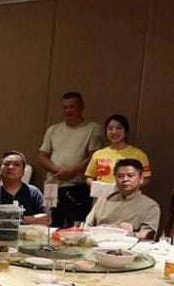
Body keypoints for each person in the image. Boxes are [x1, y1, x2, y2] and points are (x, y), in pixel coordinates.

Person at [37, 92, 105, 227]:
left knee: (75, 227)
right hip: (52, 185)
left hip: (77, 186)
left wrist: (72, 171)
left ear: (82, 107)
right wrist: (58, 170)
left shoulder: (92, 128)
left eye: (72, 107)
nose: (68, 110)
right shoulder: (53, 129)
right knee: (50, 225)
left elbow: (94, 156)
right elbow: (42, 156)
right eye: (65, 107)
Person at [84, 159, 160, 240]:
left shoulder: (150, 206)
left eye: (130, 175)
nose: (125, 179)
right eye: (120, 176)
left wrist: (128, 233)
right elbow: (87, 226)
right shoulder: (104, 199)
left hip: (128, 244)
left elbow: (148, 234)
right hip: (96, 242)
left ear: (141, 179)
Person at [0, 151, 49, 224]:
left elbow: (47, 218)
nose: (10, 167)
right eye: (6, 164)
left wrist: (15, 219)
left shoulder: (34, 192)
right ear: (0, 170)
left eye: (16, 164)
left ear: (23, 171)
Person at [84, 114, 151, 186]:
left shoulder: (139, 155)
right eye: (110, 129)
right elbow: (89, 177)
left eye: (119, 128)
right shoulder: (98, 154)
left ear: (126, 131)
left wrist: (129, 187)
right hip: (102, 193)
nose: (114, 132)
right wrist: (96, 186)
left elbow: (146, 178)